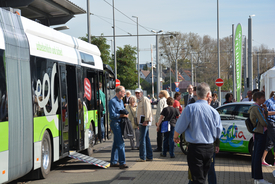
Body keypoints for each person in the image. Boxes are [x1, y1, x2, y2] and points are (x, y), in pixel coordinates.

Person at [174, 82, 222, 184]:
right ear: (208, 94)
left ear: (196, 93)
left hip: (195, 148)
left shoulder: (190, 108)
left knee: (197, 179)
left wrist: (175, 137)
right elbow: (218, 132)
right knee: (203, 176)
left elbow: (179, 127)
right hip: (209, 148)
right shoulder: (214, 112)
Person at [248, 92, 271, 184]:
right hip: (260, 133)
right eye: (262, 98)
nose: (264, 99)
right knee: (258, 156)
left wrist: (265, 111)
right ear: (258, 99)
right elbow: (264, 122)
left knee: (255, 156)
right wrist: (267, 123)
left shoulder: (255, 107)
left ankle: (256, 178)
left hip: (257, 133)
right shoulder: (256, 108)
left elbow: (263, 118)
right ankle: (259, 178)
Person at [109, 86, 129, 169]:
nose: (124, 93)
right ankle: (122, 163)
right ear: (119, 92)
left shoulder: (121, 101)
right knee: (121, 143)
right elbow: (112, 115)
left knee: (116, 143)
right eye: (124, 92)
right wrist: (122, 115)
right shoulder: (112, 102)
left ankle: (113, 161)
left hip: (121, 123)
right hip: (115, 123)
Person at [135, 88, 153, 162]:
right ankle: (149, 156)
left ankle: (142, 157)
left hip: (144, 122)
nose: (137, 94)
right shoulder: (139, 100)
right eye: (136, 93)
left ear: (142, 93)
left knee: (142, 139)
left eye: (138, 93)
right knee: (146, 139)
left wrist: (146, 120)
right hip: (141, 121)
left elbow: (148, 110)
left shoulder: (145, 99)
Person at [207, 93, 220, 184]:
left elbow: (217, 130)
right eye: (208, 97)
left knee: (211, 169)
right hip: (197, 146)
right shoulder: (194, 109)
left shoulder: (214, 112)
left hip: (210, 145)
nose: (209, 99)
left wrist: (217, 144)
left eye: (211, 97)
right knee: (196, 172)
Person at [262, 91, 275, 167]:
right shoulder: (269, 102)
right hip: (271, 123)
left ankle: (262, 159)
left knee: (270, 143)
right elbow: (265, 112)